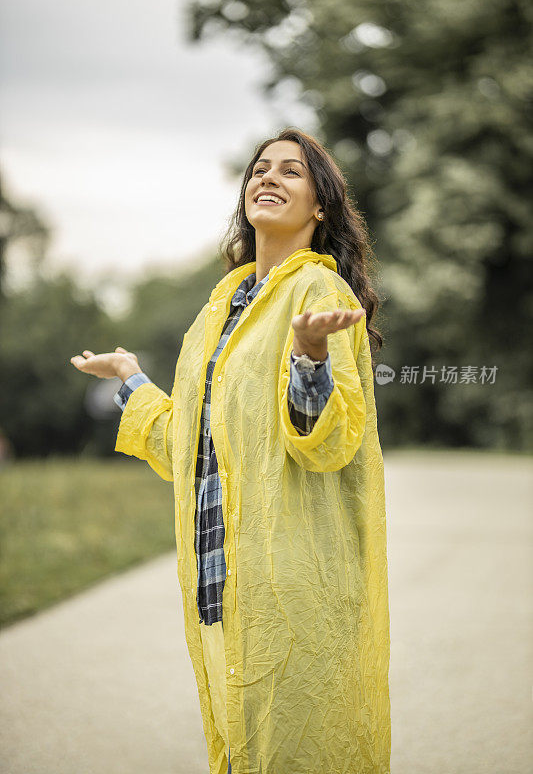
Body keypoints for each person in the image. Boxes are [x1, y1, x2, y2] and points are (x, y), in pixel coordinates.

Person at [70, 127, 391, 774]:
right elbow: (186, 442)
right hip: (222, 582)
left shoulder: (317, 295)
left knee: (303, 747)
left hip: (294, 581)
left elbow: (329, 439)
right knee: (245, 750)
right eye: (258, 169)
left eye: (290, 172)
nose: (267, 178)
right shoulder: (221, 308)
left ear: (320, 205)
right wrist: (132, 377)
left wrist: (308, 356)